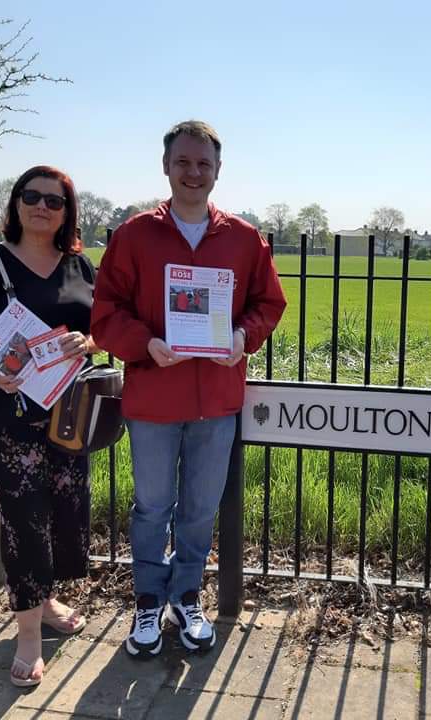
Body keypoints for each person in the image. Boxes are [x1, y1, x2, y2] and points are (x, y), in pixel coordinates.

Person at [91, 120, 286, 658]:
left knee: (200, 510)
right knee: (152, 508)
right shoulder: (134, 236)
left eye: (203, 164)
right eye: (183, 162)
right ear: (166, 166)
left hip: (217, 402)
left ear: (218, 170)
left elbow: (269, 303)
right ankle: (148, 601)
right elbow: (105, 313)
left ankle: (186, 597)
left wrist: (244, 337)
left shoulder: (244, 239)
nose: (193, 172)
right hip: (154, 399)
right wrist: (146, 344)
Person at [0, 165, 99, 687]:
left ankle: (47, 600)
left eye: (54, 200)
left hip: (65, 412)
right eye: (31, 196)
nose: (41, 207)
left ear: (67, 211)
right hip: (2, 415)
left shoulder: (80, 266)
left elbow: (100, 331)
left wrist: (87, 343)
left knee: (65, 510)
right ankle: (28, 633)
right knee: (24, 517)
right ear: (14, 203)